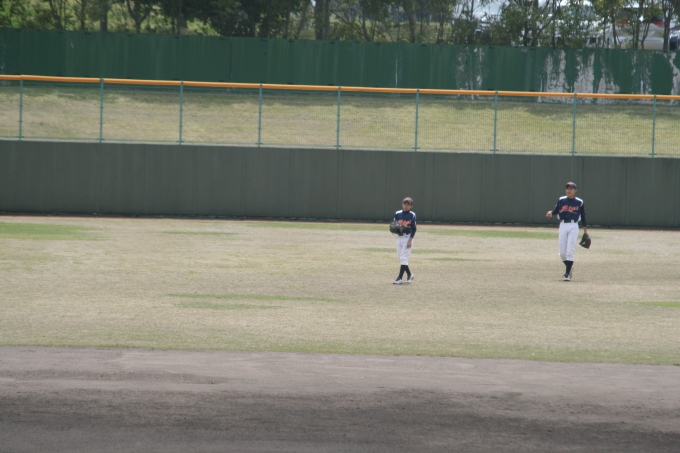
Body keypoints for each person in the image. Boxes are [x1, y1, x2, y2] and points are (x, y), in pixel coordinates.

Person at [545, 182, 588, 281]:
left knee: (570, 251)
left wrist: (585, 231)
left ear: (575, 190)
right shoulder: (561, 200)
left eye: (571, 189)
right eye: (567, 188)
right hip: (563, 225)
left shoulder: (579, 202)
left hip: (573, 225)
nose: (569, 190)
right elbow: (556, 210)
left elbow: (583, 217)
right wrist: (551, 212)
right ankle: (570, 266)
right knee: (562, 253)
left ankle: (567, 274)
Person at [393, 197, 417, 285]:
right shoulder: (397, 213)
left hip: (407, 238)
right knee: (401, 259)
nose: (406, 206)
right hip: (399, 238)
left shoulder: (412, 215)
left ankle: (399, 278)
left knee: (403, 258)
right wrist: (395, 228)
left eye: (408, 204)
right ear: (402, 204)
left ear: (411, 206)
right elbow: (394, 224)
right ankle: (410, 275)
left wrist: (410, 240)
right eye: (405, 204)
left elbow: (414, 229)